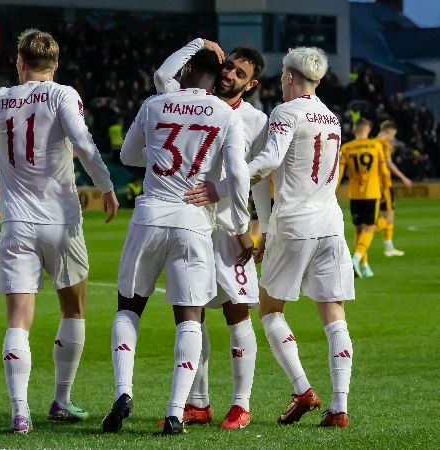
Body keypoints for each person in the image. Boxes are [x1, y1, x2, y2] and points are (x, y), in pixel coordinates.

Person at [0, 29, 119, 434]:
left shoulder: (0, 98)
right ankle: (60, 400)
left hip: (17, 223)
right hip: (62, 222)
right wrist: (106, 187)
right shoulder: (62, 94)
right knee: (73, 309)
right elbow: (84, 144)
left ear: (20, 63)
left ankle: (20, 412)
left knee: (18, 321)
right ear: (55, 66)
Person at [102, 49, 252, 436]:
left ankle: (123, 391)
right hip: (193, 222)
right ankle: (174, 411)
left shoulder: (155, 104)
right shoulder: (226, 114)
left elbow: (129, 154)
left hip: (151, 213)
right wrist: (237, 222)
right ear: (217, 76)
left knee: (128, 308)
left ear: (185, 70)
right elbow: (238, 173)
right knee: (190, 316)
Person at [153, 40, 268, 430]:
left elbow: (261, 177)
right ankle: (197, 402)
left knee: (237, 312)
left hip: (229, 229)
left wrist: (255, 226)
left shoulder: (254, 121)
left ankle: (241, 403)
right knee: (191, 314)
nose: (229, 74)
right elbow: (163, 76)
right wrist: (199, 46)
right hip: (189, 222)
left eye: (239, 73)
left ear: (250, 85)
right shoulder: (191, 101)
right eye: (228, 66)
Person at [247, 47, 355, 428]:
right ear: (319, 80)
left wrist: (231, 179)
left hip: (294, 224)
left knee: (270, 309)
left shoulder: (285, 112)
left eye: (281, 77)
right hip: (330, 223)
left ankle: (303, 389)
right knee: (334, 314)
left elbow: (272, 159)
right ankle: (339, 407)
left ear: (289, 77)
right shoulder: (333, 118)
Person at [338, 118, 389, 278]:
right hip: (372, 192)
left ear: (354, 130)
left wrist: (332, 190)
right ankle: (356, 259)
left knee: (359, 228)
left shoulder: (346, 148)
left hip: (355, 194)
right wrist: (386, 189)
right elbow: (384, 171)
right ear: (368, 130)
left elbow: (339, 173)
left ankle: (364, 266)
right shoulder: (376, 146)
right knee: (370, 228)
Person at [375, 120, 410, 256]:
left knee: (386, 214)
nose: (393, 138)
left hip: (374, 184)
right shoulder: (384, 144)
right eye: (393, 135)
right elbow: (389, 164)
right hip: (384, 184)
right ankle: (370, 229)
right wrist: (403, 177)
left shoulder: (371, 143)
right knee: (389, 216)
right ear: (388, 132)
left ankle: (389, 247)